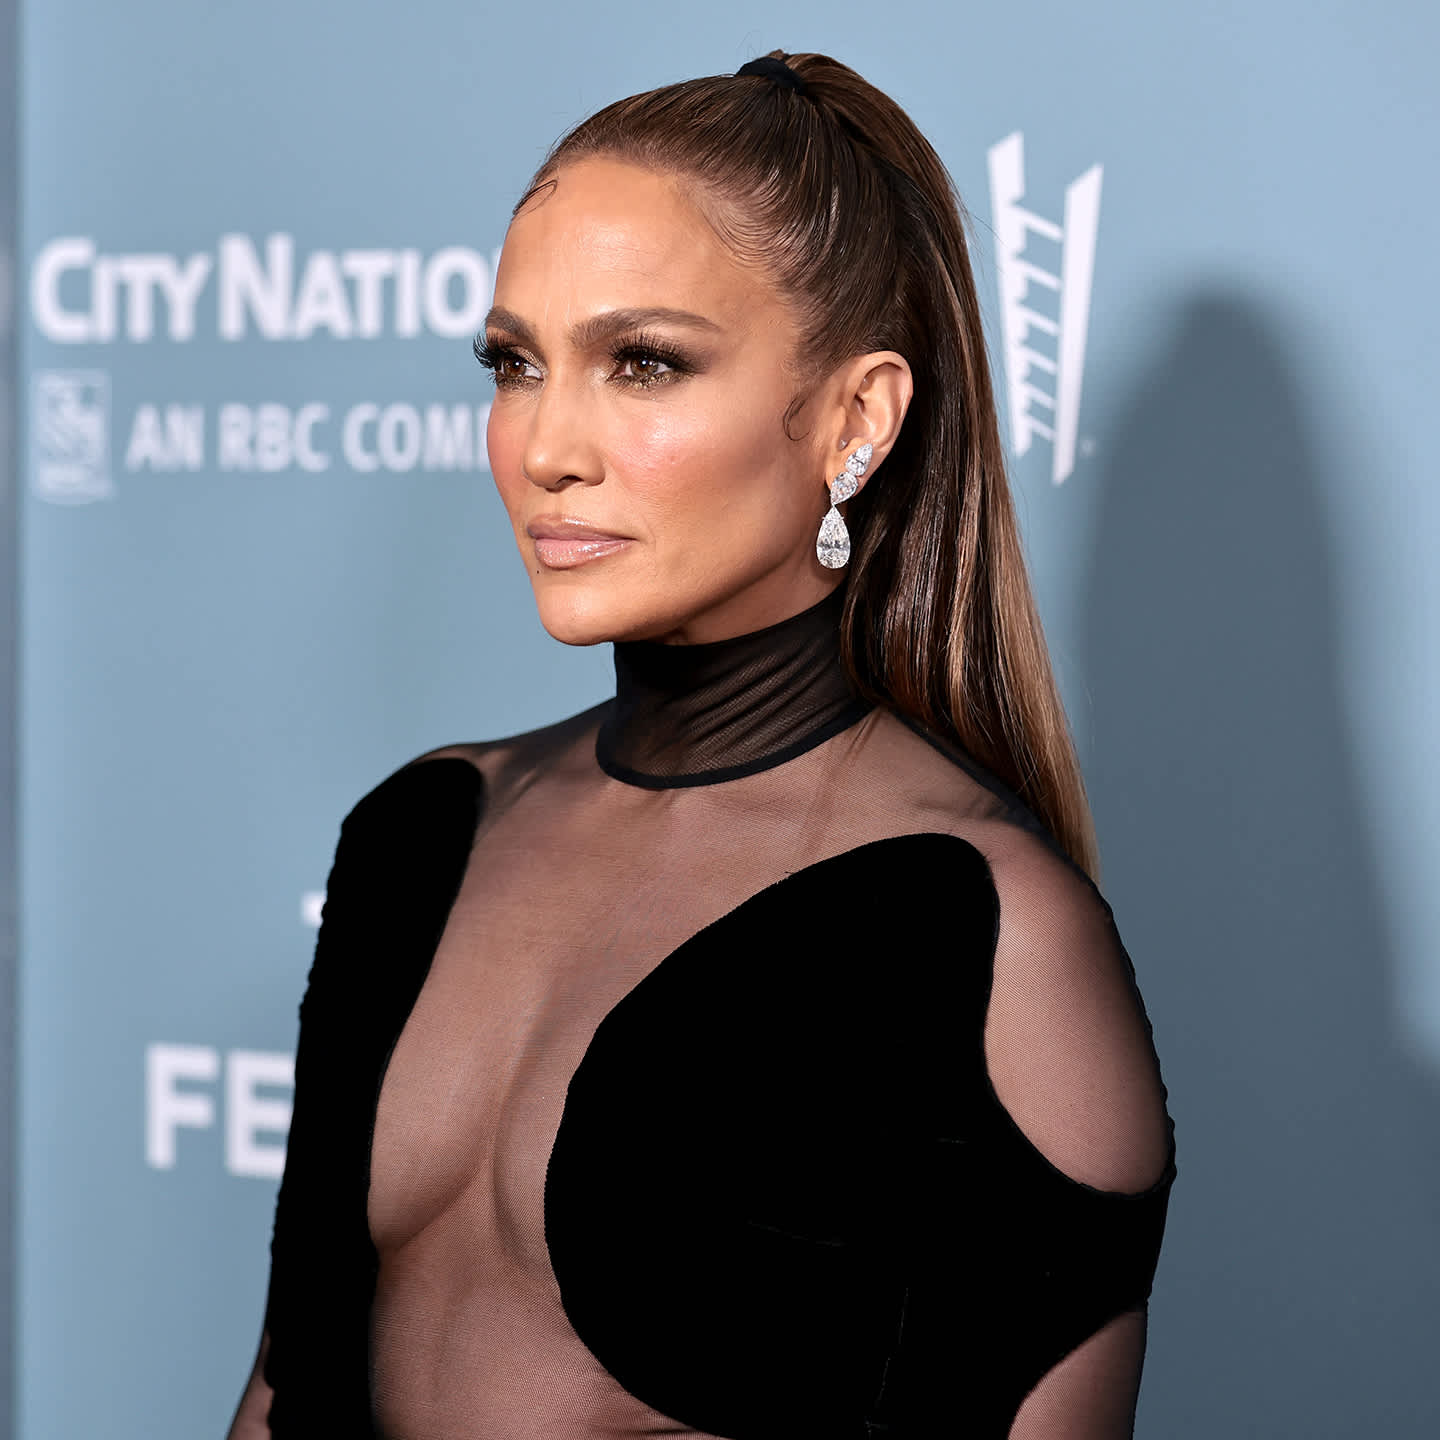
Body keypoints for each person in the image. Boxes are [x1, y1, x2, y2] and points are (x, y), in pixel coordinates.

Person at [227, 49, 1176, 1440]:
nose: (545, 447)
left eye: (644, 363)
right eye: (515, 364)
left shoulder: (983, 934)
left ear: (856, 421)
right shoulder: (418, 834)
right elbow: (284, 1392)